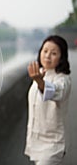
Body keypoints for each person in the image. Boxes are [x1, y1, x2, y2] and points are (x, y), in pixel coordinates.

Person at [25, 35, 71, 165]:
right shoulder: (40, 72)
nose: (47, 56)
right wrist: (39, 79)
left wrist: (40, 81)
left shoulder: (63, 79)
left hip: (53, 143)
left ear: (61, 58)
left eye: (54, 53)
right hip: (35, 140)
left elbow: (56, 92)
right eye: (45, 51)